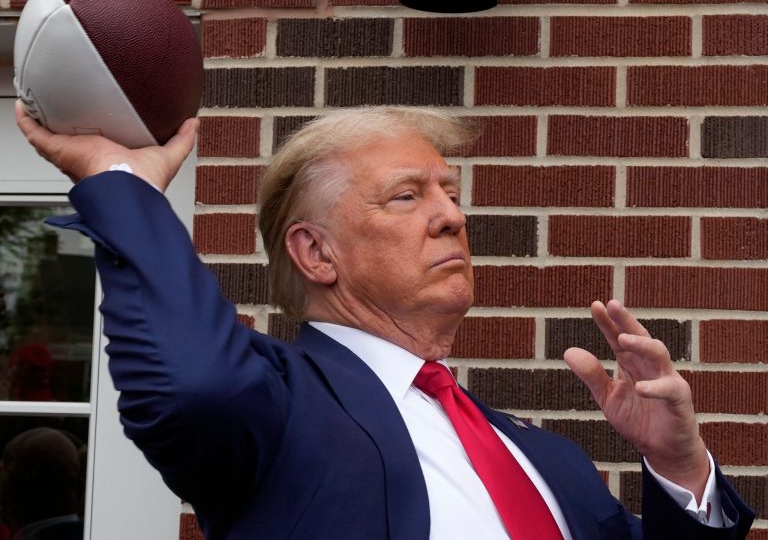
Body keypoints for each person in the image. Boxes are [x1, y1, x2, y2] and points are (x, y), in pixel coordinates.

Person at [16, 102, 754, 539]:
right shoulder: (279, 404)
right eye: (407, 197)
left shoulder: (551, 462)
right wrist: (127, 188)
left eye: (451, 194)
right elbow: (192, 384)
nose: (452, 217)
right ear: (316, 252)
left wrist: (681, 467)